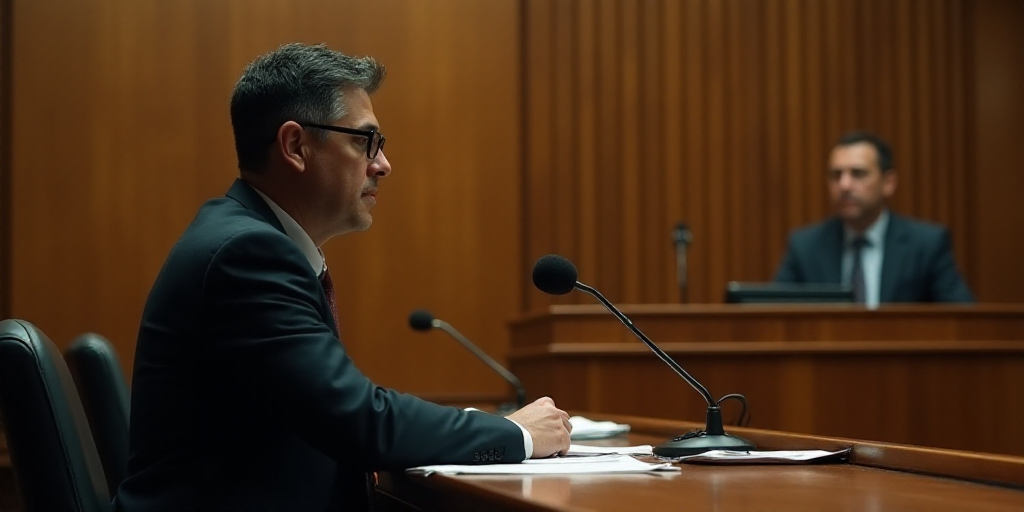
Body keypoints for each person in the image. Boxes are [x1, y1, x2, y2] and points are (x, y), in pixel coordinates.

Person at [115, 43, 572, 512]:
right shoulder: (246, 254)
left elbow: (337, 410)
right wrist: (516, 434)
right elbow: (358, 419)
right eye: (364, 141)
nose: (382, 164)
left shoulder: (245, 239)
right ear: (295, 146)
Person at [774, 131, 974, 306]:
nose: (844, 185)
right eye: (836, 175)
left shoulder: (926, 245)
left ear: (888, 182)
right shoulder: (806, 247)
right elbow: (774, 313)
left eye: (858, 174)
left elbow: (961, 319)